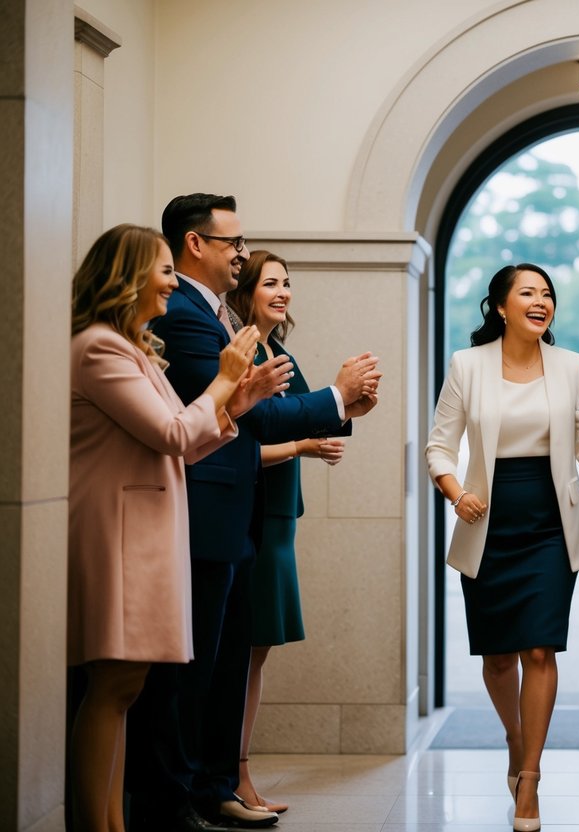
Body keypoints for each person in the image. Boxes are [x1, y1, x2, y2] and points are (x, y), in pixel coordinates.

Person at [124, 194, 380, 832]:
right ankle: (177, 799)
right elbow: (246, 413)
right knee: (193, 666)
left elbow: (248, 404)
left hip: (234, 511)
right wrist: (335, 398)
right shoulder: (184, 317)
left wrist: (337, 405)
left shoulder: (211, 314)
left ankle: (211, 787)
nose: (242, 251)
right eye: (233, 242)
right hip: (203, 512)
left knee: (226, 656)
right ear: (195, 245)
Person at [67, 224, 260, 832]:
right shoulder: (99, 347)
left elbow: (185, 439)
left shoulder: (130, 348)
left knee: (124, 687)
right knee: (114, 684)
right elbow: (174, 435)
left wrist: (238, 401)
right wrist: (226, 379)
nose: (173, 283)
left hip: (142, 534)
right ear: (126, 277)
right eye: (165, 271)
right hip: (117, 534)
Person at [426, 263, 579, 832]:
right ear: (500, 307)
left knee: (539, 651)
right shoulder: (467, 365)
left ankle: (529, 778)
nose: (541, 301)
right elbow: (439, 447)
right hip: (486, 520)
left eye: (547, 294)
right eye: (527, 293)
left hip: (552, 525)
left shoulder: (573, 366)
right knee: (500, 656)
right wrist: (457, 494)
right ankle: (515, 736)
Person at [225, 250, 347, 815]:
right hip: (250, 513)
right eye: (270, 282)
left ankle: (238, 771)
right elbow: (242, 440)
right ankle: (234, 775)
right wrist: (302, 444)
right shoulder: (240, 353)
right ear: (243, 290)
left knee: (257, 651)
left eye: (287, 283)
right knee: (241, 651)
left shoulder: (281, 353)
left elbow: (292, 415)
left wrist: (341, 413)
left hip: (277, 517)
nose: (283, 292)